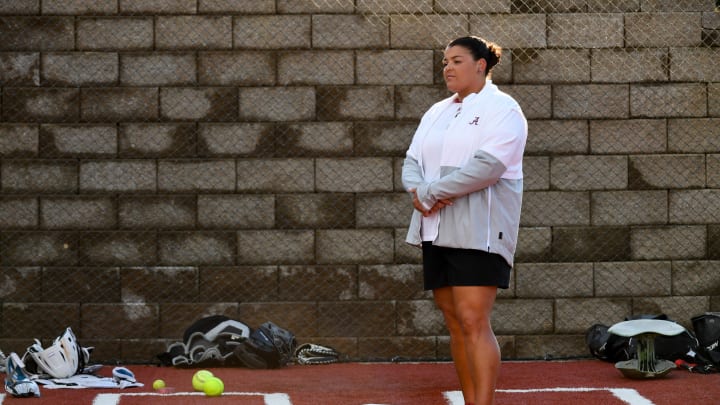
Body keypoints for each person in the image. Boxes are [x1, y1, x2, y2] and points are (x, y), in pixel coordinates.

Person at [402, 36, 527, 405]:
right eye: (445, 61)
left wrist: (432, 192)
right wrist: (423, 191)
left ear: (481, 65)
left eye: (457, 60)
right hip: (435, 228)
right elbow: (411, 161)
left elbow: (488, 167)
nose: (448, 68)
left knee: (474, 321)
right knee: (456, 323)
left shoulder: (503, 108)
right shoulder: (437, 110)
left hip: (480, 233)